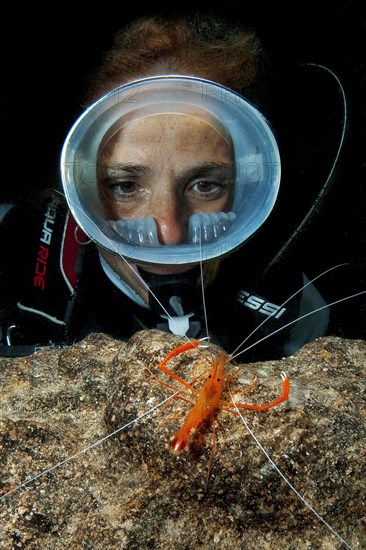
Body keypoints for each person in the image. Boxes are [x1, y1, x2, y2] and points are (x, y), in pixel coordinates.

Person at [0, 13, 363, 359]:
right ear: (82, 185)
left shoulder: (299, 308)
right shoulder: (9, 252)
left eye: (205, 185)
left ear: (247, 186)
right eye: (125, 186)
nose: (170, 233)